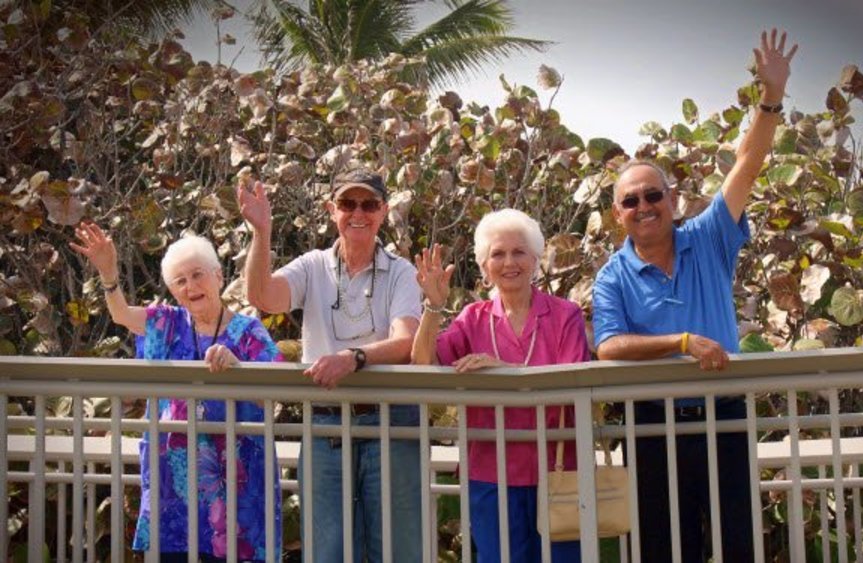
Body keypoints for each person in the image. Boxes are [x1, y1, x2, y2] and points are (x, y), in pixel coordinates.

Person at [591, 29, 797, 562]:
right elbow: (607, 346)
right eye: (631, 200)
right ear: (619, 214)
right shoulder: (612, 275)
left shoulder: (708, 238)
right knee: (661, 549)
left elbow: (746, 166)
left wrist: (770, 99)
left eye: (653, 194)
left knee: (737, 544)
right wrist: (681, 341)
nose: (645, 206)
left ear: (673, 198)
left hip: (722, 412)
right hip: (651, 423)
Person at [238, 169, 422, 563]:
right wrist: (261, 233)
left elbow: (407, 341)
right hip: (324, 423)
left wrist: (354, 359)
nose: (359, 213)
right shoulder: (312, 265)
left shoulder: (402, 271)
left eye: (369, 204)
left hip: (390, 420)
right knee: (327, 550)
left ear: (384, 211)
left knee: (398, 549)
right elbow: (262, 296)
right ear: (331, 210)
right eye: (347, 203)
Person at [70, 223, 282, 561]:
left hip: (235, 484)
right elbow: (121, 314)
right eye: (180, 281)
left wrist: (239, 367)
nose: (191, 286)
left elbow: (274, 392)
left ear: (218, 277)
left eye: (198, 275)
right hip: (174, 481)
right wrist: (109, 273)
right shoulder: (167, 324)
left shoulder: (248, 331)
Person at [412, 209, 592, 563]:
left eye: (519, 252)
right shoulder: (472, 318)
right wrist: (434, 306)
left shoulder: (565, 314)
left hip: (557, 472)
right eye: (498, 253)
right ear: (484, 265)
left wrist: (504, 370)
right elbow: (422, 363)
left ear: (536, 260)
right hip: (490, 474)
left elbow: (571, 382)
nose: (509, 262)